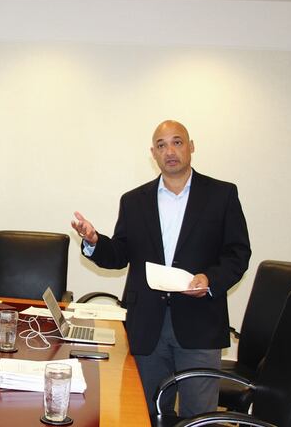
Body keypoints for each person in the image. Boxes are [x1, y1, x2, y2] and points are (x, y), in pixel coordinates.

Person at [71, 120, 251, 417]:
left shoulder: (222, 195)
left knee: (198, 417)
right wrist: (94, 241)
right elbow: (119, 254)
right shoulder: (133, 201)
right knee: (147, 412)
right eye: (161, 145)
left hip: (200, 321)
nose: (170, 151)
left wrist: (210, 279)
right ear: (153, 153)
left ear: (191, 147)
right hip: (148, 323)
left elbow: (237, 253)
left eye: (177, 142)